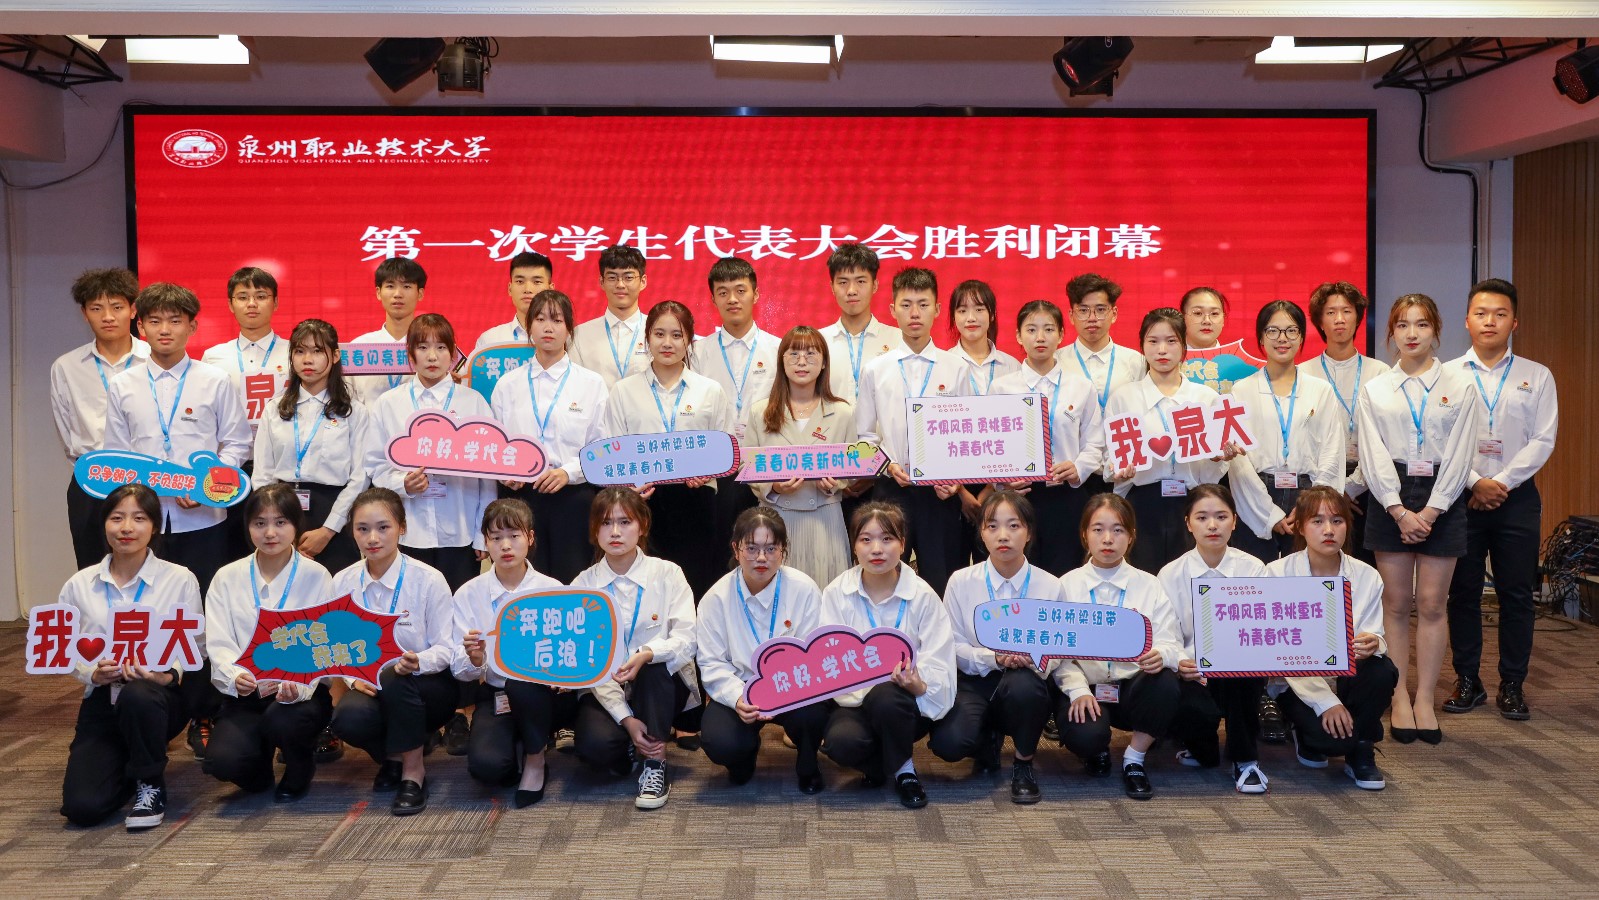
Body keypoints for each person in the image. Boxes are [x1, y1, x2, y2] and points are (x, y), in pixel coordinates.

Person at [103, 282, 251, 761]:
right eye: (155, 321)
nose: (164, 329)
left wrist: (208, 484)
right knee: (149, 614)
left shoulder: (215, 380)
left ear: (192, 326)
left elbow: (237, 444)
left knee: (202, 617)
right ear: (141, 327)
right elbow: (117, 455)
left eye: (175, 320)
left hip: (204, 521)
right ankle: (152, 706)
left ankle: (205, 711)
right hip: (144, 528)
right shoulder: (123, 384)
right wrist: (139, 500)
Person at [1355, 294, 1483, 745]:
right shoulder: (1376, 389)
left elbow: (1462, 453)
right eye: (1403, 325)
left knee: (1431, 604)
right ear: (1391, 332)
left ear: (1436, 330)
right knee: (1394, 603)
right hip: (1389, 493)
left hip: (1441, 497)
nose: (1412, 334)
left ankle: (1425, 697)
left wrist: (1430, 510)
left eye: (1422, 324)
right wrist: (1396, 508)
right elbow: (1371, 453)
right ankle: (1398, 698)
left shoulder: (1460, 385)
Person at [57, 484, 203, 831]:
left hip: (157, 697)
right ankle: (130, 762)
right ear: (104, 524)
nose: (126, 528)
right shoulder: (80, 584)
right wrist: (92, 673)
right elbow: (64, 645)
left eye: (139, 518)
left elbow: (197, 643)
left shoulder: (179, 579)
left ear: (154, 526)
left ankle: (149, 782)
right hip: (103, 699)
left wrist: (166, 675)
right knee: (83, 807)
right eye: (116, 518)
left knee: (139, 696)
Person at [1444, 278, 1557, 721]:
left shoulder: (1537, 375)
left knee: (1516, 594)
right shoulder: (1446, 374)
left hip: (1517, 498)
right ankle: (1467, 680)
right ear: (1467, 320)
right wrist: (1475, 482)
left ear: (1515, 322)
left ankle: (1513, 683)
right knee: (1462, 593)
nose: (1489, 321)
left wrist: (1500, 483)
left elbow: (1543, 439)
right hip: (1460, 495)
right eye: (1481, 313)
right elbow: (1439, 439)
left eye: (1500, 314)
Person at [201, 484, 335, 802]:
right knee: (222, 762)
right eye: (260, 523)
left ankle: (299, 765)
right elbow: (218, 641)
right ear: (248, 527)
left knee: (284, 720)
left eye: (280, 522)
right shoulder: (227, 577)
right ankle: (259, 769)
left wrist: (299, 685)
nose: (270, 533)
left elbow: (326, 646)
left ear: (296, 525)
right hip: (247, 691)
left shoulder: (317, 576)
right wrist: (235, 676)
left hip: (300, 695)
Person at [328, 488, 457, 816]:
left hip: (426, 686)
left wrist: (417, 662)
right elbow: (335, 648)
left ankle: (413, 773)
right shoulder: (342, 583)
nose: (372, 538)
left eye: (383, 527)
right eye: (362, 529)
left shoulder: (428, 580)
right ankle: (393, 757)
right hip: (371, 685)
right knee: (348, 718)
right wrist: (354, 679)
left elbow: (447, 648)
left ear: (402, 528)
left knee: (395, 678)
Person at [930, 491, 1064, 804]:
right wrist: (993, 657)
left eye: (1013, 526)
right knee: (949, 744)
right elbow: (952, 643)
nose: (1003, 535)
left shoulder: (1050, 584)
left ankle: (1023, 763)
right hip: (976, 678)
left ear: (1028, 532)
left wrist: (1033, 657)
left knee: (1024, 689)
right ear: (981, 533)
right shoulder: (961, 581)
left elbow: (1059, 649)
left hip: (1025, 680)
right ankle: (987, 739)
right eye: (992, 526)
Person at [570, 488, 699, 810]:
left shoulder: (667, 573)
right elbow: (586, 661)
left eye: (625, 522)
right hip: (606, 688)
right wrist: (626, 718)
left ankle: (655, 762)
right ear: (594, 530)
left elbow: (688, 638)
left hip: (662, 685)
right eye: (605, 523)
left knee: (654, 664)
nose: (615, 532)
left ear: (642, 526)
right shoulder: (582, 585)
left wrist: (648, 653)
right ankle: (630, 741)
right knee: (595, 749)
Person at [820, 502, 956, 809]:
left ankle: (906, 772)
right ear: (854, 546)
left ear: (903, 544)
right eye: (866, 539)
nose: (877, 549)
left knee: (887, 697)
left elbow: (939, 657)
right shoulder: (836, 593)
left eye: (887, 539)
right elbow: (829, 660)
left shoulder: (922, 595)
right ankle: (884, 765)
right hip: (854, 701)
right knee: (841, 744)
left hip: (906, 704)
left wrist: (919, 684)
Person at [1054, 494, 1183, 800]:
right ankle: (1096, 749)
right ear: (1084, 534)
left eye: (1118, 530)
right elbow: (1057, 655)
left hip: (1132, 687)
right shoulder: (1064, 585)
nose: (1108, 539)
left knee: (1166, 683)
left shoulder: (1149, 584)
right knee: (1086, 736)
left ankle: (1134, 758)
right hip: (1086, 688)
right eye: (1098, 529)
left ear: (1131, 536)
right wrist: (1078, 690)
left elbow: (1171, 641)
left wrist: (1162, 655)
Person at [602, 300, 734, 598]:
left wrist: (707, 471)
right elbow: (612, 449)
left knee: (696, 586)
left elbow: (725, 449)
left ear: (689, 340)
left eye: (677, 335)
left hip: (696, 501)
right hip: (641, 503)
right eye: (659, 334)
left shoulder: (709, 390)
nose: (667, 343)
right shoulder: (624, 391)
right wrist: (628, 486)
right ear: (647, 338)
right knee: (646, 591)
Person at [1270, 486, 1399, 790]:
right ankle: (1307, 733)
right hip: (1298, 682)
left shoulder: (1367, 575)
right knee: (1327, 743)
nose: (1328, 530)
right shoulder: (1276, 573)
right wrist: (1325, 701)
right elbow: (1281, 653)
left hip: (1347, 674)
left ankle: (1362, 751)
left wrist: (1373, 642)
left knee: (1382, 670)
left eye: (1337, 521)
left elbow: (1374, 632)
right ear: (1300, 527)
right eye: (1317, 521)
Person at [696, 507, 829, 793]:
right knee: (721, 741)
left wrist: (785, 689)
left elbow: (814, 655)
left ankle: (808, 764)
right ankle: (743, 756)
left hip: (792, 684)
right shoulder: (715, 599)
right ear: (736, 549)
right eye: (752, 548)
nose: (761, 558)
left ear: (783, 551)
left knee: (815, 712)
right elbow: (712, 663)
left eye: (771, 548)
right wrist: (737, 697)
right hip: (741, 686)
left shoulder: (804, 589)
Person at [855, 267, 971, 595]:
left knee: (942, 579)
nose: (915, 313)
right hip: (891, 489)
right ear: (893, 310)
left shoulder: (956, 367)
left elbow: (965, 435)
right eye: (906, 305)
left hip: (940, 494)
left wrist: (955, 480)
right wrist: (888, 464)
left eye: (923, 304)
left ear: (937, 309)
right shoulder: (875, 369)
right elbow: (865, 438)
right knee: (884, 578)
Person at [452, 498, 575, 807]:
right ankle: (519, 743)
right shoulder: (469, 593)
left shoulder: (553, 588)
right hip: (497, 693)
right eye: (496, 538)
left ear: (530, 538)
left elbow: (568, 651)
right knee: (487, 767)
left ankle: (535, 759)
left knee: (525, 685)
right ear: (485, 542)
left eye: (514, 536)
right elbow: (458, 668)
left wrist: (563, 676)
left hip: (544, 695)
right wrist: (475, 660)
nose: (505, 546)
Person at [364, 313, 493, 591]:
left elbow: (488, 475)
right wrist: (403, 484)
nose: (432, 356)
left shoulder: (473, 402)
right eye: (423, 347)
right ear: (411, 354)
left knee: (458, 607)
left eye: (441, 347)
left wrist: (483, 533)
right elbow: (375, 465)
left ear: (453, 354)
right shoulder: (389, 404)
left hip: (460, 532)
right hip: (408, 531)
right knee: (411, 607)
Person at [1157, 484, 1271, 793]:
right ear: (1188, 523)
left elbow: (1262, 629)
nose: (1212, 525)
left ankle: (1245, 760)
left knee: (1244, 674)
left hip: (1237, 669)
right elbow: (1165, 633)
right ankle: (1201, 746)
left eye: (1221, 517)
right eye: (1202, 517)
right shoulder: (1170, 574)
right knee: (1199, 740)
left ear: (1234, 521)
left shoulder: (1253, 569)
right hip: (1191, 671)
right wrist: (1181, 662)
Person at [489, 289, 609, 583]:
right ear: (529, 326)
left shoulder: (591, 384)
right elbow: (495, 444)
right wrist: (505, 471)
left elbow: (601, 446)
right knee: (523, 582)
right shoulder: (507, 384)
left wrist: (568, 472)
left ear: (569, 329)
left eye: (556, 320)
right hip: (520, 498)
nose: (548, 327)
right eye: (540, 319)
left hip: (573, 497)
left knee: (574, 579)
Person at [1103, 308, 1231, 573]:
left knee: (1191, 577)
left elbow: (1215, 469)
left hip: (1192, 503)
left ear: (1184, 346)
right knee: (1142, 576)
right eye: (1153, 341)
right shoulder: (1124, 397)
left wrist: (1217, 457)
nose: (1162, 350)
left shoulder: (1205, 398)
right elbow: (1109, 456)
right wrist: (1118, 470)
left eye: (1171, 341)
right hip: (1142, 502)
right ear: (1142, 346)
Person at [991, 300, 1104, 576]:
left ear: (1061, 335)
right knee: (1019, 574)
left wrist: (1078, 467)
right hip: (1019, 497)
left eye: (1049, 329)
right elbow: (992, 447)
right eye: (1031, 330)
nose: (1040, 337)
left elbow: (1095, 442)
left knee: (1066, 574)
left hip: (1066, 496)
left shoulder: (1081, 387)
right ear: (1018, 336)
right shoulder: (1002, 388)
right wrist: (1003, 480)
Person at [1226, 300, 1343, 563]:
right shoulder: (1242, 391)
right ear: (1261, 338)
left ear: (1301, 337)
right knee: (1255, 580)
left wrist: (1315, 505)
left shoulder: (1320, 390)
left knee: (1304, 579)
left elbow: (1332, 450)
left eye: (1291, 331)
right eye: (1273, 331)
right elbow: (1239, 462)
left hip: (1308, 494)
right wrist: (1268, 513)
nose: (1282, 338)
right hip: (1255, 495)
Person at [253, 318, 369, 576]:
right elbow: (262, 475)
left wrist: (328, 530)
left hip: (335, 515)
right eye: (299, 351)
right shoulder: (274, 409)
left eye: (317, 351)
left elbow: (360, 477)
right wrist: (276, 525)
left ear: (335, 356)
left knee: (335, 592)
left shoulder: (354, 412)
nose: (307, 360)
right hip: (281, 513)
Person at [51, 267, 149, 570]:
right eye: (96, 308)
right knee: (93, 567)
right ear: (84, 313)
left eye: (117, 307)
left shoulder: (154, 359)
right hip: (91, 480)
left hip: (146, 479)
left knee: (151, 566)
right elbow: (66, 431)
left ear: (133, 310)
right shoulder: (66, 366)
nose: (108, 316)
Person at [743, 325, 856, 588]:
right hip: (775, 517)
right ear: (781, 361)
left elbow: (852, 467)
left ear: (824, 362)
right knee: (777, 594)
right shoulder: (761, 412)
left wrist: (837, 483)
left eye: (811, 354)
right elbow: (747, 467)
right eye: (793, 354)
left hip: (825, 519)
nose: (802, 362)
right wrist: (773, 487)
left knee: (826, 591)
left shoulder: (842, 412)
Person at [691, 257, 782, 574]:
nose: (732, 299)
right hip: (716, 471)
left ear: (756, 295)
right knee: (717, 557)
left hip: (765, 469)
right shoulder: (697, 352)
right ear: (713, 299)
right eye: (723, 292)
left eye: (740, 290)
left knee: (765, 553)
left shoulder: (779, 349)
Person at [1301, 282, 1389, 564]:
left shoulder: (1380, 372)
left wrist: (1350, 488)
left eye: (1347, 311)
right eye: (1331, 312)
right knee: (1319, 565)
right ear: (1320, 322)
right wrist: (1331, 489)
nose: (1339, 319)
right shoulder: (1303, 374)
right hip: (1318, 483)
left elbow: (1386, 439)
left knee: (1364, 566)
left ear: (1358, 318)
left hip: (1368, 484)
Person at [199, 266, 290, 437]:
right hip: (230, 451)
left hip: (284, 451)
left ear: (276, 302)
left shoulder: (294, 354)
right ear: (230, 304)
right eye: (242, 297)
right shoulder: (212, 358)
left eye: (261, 296)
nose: (252, 304)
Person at [819, 242, 901, 404]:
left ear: (875, 285)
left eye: (861, 281)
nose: (851, 291)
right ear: (832, 287)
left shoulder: (898, 340)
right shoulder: (818, 342)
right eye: (843, 282)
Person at [348, 257, 426, 407]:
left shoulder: (435, 349)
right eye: (390, 286)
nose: (398, 294)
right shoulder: (359, 348)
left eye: (407, 286)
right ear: (378, 292)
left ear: (420, 293)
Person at [571, 244, 652, 390]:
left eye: (628, 277)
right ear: (602, 282)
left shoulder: (656, 332)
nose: (620, 285)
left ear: (643, 282)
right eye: (612, 277)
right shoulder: (580, 335)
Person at [1180, 286, 1262, 392]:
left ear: (1223, 319)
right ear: (1182, 318)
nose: (1207, 320)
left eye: (1214, 314)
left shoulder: (1240, 367)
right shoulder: (1168, 362)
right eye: (1198, 313)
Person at [948, 279, 1021, 396]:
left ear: (992, 315)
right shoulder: (944, 365)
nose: (971, 318)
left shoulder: (1012, 366)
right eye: (962, 311)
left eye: (979, 310)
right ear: (953, 317)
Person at [474, 251, 553, 350]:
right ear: (510, 289)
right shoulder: (490, 341)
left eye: (537, 282)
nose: (528, 289)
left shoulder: (566, 339)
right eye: (520, 281)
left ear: (551, 290)